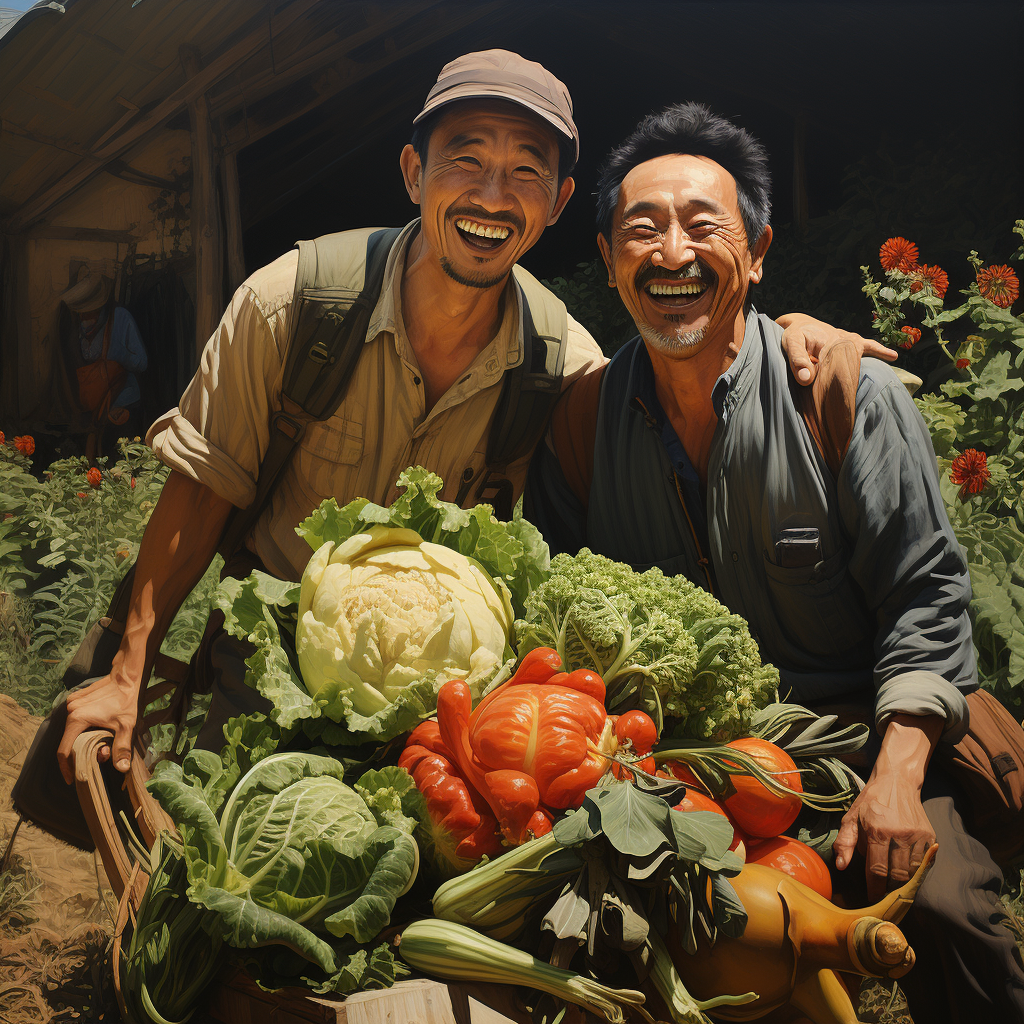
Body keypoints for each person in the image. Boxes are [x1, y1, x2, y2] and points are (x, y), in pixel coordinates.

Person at [55, 53, 876, 790]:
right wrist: (129, 671)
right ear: (415, 172)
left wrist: (784, 336)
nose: (491, 195)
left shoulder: (564, 364)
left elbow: (681, 382)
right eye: (466, 160)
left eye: (525, 172)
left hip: (442, 703)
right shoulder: (293, 304)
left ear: (557, 204)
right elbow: (202, 491)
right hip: (267, 658)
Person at [526, 101, 1024, 1022]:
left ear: (756, 253)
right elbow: (551, 628)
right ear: (607, 261)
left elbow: (928, 600)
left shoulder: (844, 396)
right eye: (642, 229)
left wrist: (899, 779)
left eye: (701, 225)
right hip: (688, 763)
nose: (670, 251)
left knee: (950, 913)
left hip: (862, 737)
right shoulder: (581, 424)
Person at [60, 271, 148, 459]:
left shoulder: (121, 318)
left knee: (119, 464)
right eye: (80, 312)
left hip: (124, 404)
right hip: (97, 408)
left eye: (87, 310)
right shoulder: (82, 327)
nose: (83, 315)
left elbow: (142, 362)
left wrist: (118, 356)